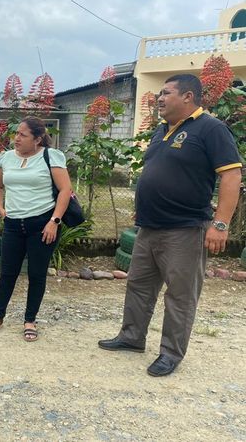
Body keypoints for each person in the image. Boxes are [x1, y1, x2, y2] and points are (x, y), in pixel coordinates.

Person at [98, 74, 242, 377]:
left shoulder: (211, 129)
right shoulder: (162, 130)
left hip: (186, 229)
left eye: (166, 93)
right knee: (139, 285)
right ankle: (132, 337)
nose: (159, 99)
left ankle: (170, 353)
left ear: (188, 96)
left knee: (180, 294)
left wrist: (220, 224)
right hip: (149, 227)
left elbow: (231, 175)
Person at [0, 116, 72, 342]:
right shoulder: (6, 158)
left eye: (23, 135)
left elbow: (65, 190)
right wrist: (1, 209)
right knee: (8, 273)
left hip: (42, 225)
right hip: (13, 224)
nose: (17, 138)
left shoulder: (51, 156)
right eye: (16, 133)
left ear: (37, 139)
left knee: (36, 274)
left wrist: (54, 221)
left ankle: (30, 320)